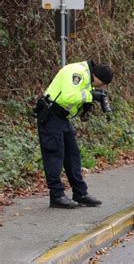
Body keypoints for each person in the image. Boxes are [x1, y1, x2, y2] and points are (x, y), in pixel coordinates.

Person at [34, 61, 113, 208]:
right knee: (54, 156)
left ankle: (80, 193)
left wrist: (86, 105)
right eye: (100, 84)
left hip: (62, 118)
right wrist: (91, 96)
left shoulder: (86, 76)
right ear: (96, 77)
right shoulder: (77, 73)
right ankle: (57, 196)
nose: (99, 87)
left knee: (73, 155)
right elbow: (68, 97)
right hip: (51, 115)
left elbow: (75, 98)